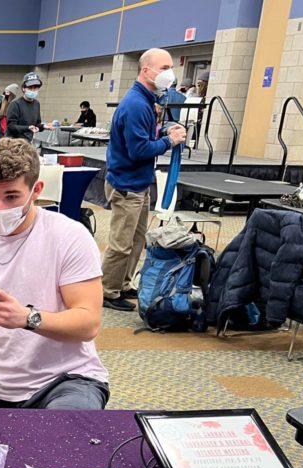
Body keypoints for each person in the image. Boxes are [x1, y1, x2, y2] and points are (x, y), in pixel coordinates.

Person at [0, 138, 109, 410]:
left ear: (36, 190)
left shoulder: (68, 236)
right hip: (5, 389)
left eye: (11, 197)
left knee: (58, 435)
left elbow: (88, 323)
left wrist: (28, 318)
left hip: (69, 380)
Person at [101, 48, 187, 311]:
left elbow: (145, 135)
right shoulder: (137, 104)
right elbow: (138, 150)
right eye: (163, 68)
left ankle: (123, 284)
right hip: (127, 185)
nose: (169, 73)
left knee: (137, 240)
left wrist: (164, 130)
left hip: (138, 183)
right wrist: (168, 141)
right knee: (121, 243)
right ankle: (107, 290)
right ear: (146, 70)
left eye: (170, 67)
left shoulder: (147, 99)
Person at [5, 72, 44, 142]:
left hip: (27, 142)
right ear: (23, 88)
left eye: (35, 88)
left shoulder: (37, 104)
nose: (33, 90)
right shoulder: (15, 104)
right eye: (30, 88)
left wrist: (44, 126)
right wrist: (27, 128)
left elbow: (37, 124)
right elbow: (11, 126)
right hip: (13, 143)